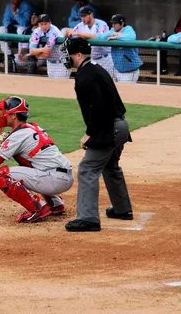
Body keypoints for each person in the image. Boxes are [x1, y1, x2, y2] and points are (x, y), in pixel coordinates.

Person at [60, 37, 133, 232]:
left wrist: (89, 133)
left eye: (68, 53)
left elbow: (97, 107)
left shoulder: (85, 76)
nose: (66, 57)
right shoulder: (94, 68)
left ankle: (88, 219)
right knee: (110, 165)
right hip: (120, 125)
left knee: (87, 168)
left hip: (109, 127)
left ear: (77, 55)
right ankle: (122, 209)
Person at [0, 96, 73, 223]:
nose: (2, 116)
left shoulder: (19, 135)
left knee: (1, 174)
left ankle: (37, 209)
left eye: (5, 113)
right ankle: (56, 204)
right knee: (30, 166)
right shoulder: (32, 128)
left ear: (13, 116)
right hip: (64, 176)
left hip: (53, 180)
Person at [64, 5, 114, 79]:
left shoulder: (101, 24)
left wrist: (78, 33)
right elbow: (70, 34)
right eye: (81, 16)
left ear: (91, 14)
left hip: (105, 58)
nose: (82, 18)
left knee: (107, 81)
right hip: (92, 59)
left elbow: (98, 37)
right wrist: (67, 32)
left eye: (84, 16)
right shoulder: (80, 25)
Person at [0, 0, 35, 69]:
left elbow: (24, 23)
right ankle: (8, 55)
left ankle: (20, 54)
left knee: (20, 29)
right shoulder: (9, 5)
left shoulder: (27, 6)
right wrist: (8, 25)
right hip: (14, 26)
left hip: (26, 27)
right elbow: (5, 18)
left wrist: (14, 12)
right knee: (0, 30)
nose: (12, 1)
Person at [97, 14, 142, 83]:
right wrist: (113, 34)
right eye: (112, 23)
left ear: (122, 23)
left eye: (115, 23)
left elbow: (131, 37)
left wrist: (117, 37)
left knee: (126, 91)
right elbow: (101, 37)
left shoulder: (128, 29)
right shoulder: (112, 30)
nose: (113, 25)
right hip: (118, 68)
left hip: (129, 69)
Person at [29, 14, 70, 78]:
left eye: (45, 24)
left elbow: (46, 54)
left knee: (60, 86)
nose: (43, 26)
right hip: (50, 64)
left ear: (50, 23)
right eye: (41, 24)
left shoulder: (53, 31)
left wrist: (37, 54)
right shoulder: (37, 31)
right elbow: (31, 51)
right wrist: (42, 50)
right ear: (38, 24)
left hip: (62, 63)